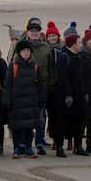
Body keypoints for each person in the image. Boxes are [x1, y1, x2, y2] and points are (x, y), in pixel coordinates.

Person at [2, 39, 42, 158]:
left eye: (28, 50)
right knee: (17, 127)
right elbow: (7, 85)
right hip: (16, 103)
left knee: (30, 127)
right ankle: (17, 148)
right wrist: (7, 101)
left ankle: (28, 148)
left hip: (31, 102)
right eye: (23, 50)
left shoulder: (35, 66)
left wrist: (42, 100)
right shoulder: (13, 66)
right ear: (19, 52)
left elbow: (40, 85)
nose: (26, 52)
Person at [44, 23, 73, 158]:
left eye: (54, 35)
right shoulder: (45, 51)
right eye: (49, 36)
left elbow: (68, 74)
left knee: (59, 118)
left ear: (57, 36)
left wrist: (68, 92)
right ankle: (53, 139)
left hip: (60, 91)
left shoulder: (63, 53)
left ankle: (59, 144)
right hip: (47, 90)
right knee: (50, 118)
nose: (52, 38)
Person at [27, 20, 54, 154]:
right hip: (26, 87)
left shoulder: (46, 47)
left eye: (36, 31)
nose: (34, 33)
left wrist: (50, 85)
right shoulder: (22, 46)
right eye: (32, 31)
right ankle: (27, 143)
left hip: (42, 87)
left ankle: (39, 142)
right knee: (27, 117)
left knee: (41, 117)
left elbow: (51, 69)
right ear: (28, 32)